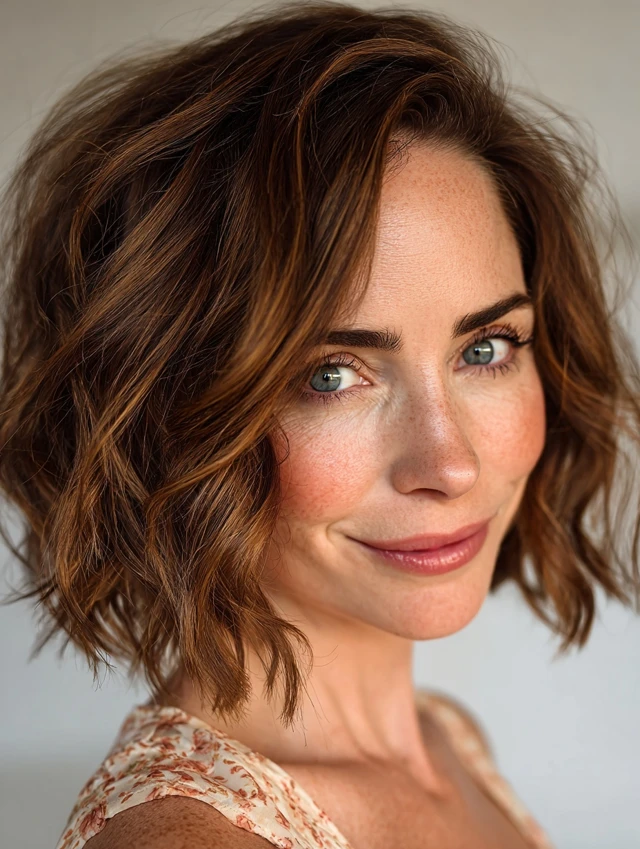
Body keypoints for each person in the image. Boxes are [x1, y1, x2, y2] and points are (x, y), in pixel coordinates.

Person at [1, 2, 638, 848]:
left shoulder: (449, 742)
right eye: (330, 375)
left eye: (485, 349)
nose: (448, 463)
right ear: (169, 414)